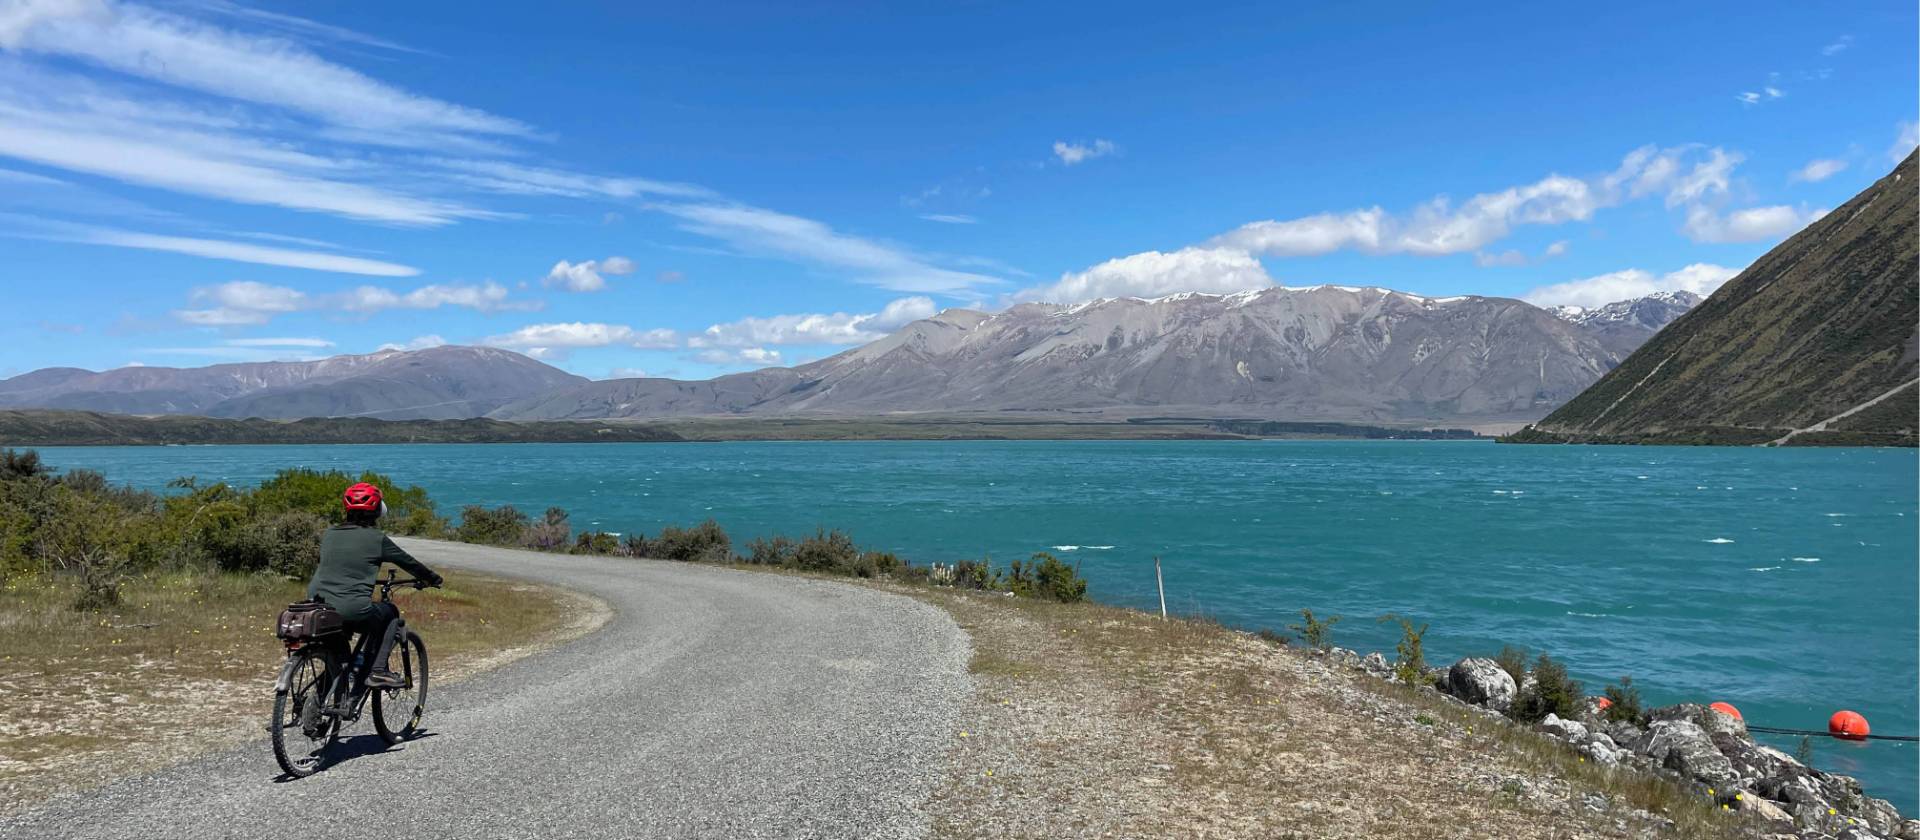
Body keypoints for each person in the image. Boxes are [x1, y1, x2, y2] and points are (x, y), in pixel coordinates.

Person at [306, 481, 443, 688]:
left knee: (341, 653)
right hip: (352, 608)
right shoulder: (376, 538)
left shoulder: (330, 534)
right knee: (390, 614)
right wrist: (432, 578)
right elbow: (409, 563)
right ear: (377, 512)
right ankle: (378, 670)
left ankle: (328, 697)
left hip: (317, 604)